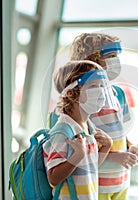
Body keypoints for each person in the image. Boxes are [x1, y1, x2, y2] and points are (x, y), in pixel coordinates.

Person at [70, 32, 138, 199]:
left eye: (117, 56)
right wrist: (115, 157)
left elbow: (121, 134)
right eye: (110, 56)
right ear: (91, 60)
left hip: (121, 182)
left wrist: (130, 148)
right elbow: (76, 146)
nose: (115, 62)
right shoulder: (80, 99)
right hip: (95, 185)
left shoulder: (118, 94)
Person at [43, 60, 113, 200]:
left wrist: (106, 147)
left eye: (101, 85)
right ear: (70, 93)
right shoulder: (63, 132)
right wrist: (77, 155)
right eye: (93, 86)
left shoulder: (87, 127)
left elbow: (88, 168)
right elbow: (53, 178)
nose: (100, 91)